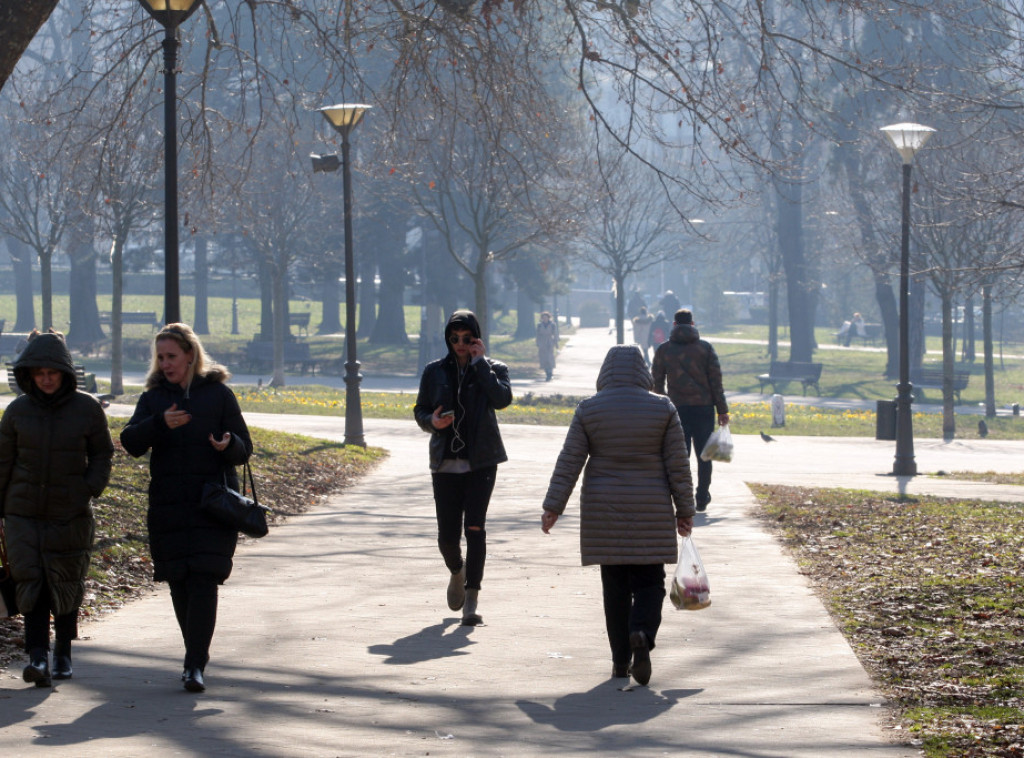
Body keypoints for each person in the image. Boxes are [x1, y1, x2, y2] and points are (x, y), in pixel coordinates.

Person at [541, 345, 694, 687]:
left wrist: (553, 506)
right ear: (642, 371)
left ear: (605, 372)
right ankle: (642, 632)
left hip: (604, 511)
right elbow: (678, 465)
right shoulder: (663, 408)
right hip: (651, 509)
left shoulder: (589, 409)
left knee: (615, 589)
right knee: (650, 582)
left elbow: (570, 460)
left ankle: (620, 662)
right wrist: (685, 510)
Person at [120, 323, 252, 693]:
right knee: (179, 581)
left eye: (171, 356)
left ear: (190, 356)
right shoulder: (154, 398)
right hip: (169, 505)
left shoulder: (219, 395)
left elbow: (244, 448)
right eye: (160, 357)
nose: (165, 364)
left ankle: (194, 664)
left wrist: (228, 444)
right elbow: (130, 441)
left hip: (212, 505)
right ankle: (194, 654)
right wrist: (159, 423)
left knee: (203, 580)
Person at [0, 330, 113, 687]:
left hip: (70, 512)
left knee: (64, 581)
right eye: (39, 373)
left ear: (65, 373)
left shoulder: (87, 409)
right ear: (29, 375)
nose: (46, 379)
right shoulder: (17, 411)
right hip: (22, 512)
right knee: (31, 581)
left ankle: (63, 650)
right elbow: (3, 462)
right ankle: (37, 656)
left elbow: (102, 454)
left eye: (52, 373)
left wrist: (88, 488)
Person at [414, 310, 512, 626]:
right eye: (454, 338)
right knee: (447, 537)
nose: (459, 343)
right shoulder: (434, 371)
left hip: (481, 462)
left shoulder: (494, 368)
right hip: (445, 463)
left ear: (476, 339)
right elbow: (420, 409)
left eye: (466, 338)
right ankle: (457, 570)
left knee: (475, 528)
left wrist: (480, 363)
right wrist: (432, 421)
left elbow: (502, 399)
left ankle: (472, 599)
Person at [652, 308, 729, 513]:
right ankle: (702, 496)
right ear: (693, 324)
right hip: (704, 408)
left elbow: (657, 381)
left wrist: (662, 404)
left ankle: (681, 497)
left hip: (676, 409)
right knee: (705, 455)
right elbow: (716, 381)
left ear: (674, 325)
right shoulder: (705, 348)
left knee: (680, 456)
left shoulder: (664, 349)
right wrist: (722, 410)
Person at [535, 311, 558, 381]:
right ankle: (547, 373)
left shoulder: (552, 324)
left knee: (549, 358)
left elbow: (555, 334)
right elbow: (537, 334)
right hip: (542, 343)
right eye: (543, 317)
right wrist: (538, 342)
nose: (545, 319)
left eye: (546, 317)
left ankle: (550, 372)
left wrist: (555, 342)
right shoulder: (539, 325)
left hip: (549, 342)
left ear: (548, 317)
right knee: (543, 358)